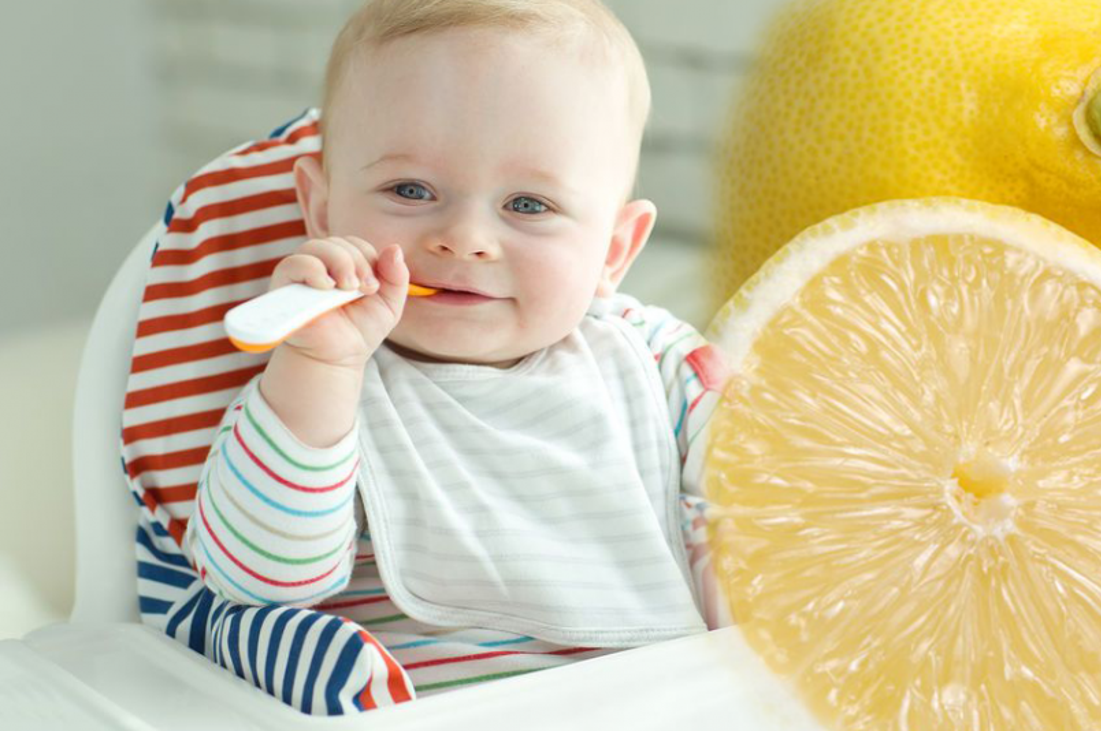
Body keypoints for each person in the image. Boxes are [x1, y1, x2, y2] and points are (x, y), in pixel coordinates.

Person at [182, 0, 731, 697]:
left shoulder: (658, 366)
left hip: (659, 700)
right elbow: (252, 578)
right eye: (410, 190)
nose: (465, 237)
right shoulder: (324, 379)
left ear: (613, 250)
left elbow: (791, 502)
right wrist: (318, 366)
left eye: (529, 205)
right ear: (322, 211)